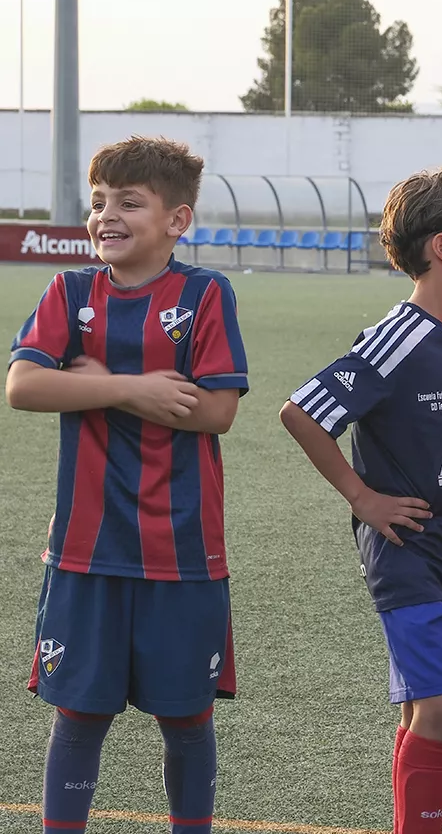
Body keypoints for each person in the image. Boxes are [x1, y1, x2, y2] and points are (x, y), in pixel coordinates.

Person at [6, 136, 247, 834]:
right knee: (79, 713)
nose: (106, 216)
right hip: (87, 549)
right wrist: (133, 388)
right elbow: (22, 385)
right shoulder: (70, 290)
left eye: (128, 203)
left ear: (177, 220)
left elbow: (217, 410)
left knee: (186, 717)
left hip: (183, 550)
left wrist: (90, 386)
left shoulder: (205, 295)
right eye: (98, 202)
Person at [279, 167, 442, 834]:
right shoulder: (397, 335)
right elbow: (302, 413)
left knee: (429, 711)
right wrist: (363, 497)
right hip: (407, 554)